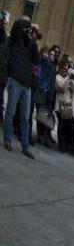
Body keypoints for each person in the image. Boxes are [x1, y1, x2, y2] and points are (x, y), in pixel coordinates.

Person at [3, 18, 40, 158]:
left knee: (25, 117)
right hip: (15, 80)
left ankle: (25, 146)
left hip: (27, 85)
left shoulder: (29, 45)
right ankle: (7, 139)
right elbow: (17, 26)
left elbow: (36, 60)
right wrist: (31, 25)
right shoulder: (15, 40)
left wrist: (34, 41)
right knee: (11, 112)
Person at [54, 61, 74, 154]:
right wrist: (68, 77)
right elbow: (60, 87)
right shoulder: (58, 77)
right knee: (62, 126)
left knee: (70, 127)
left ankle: (69, 145)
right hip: (62, 104)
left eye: (67, 68)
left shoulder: (71, 80)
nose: (66, 70)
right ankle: (62, 145)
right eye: (64, 68)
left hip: (70, 106)